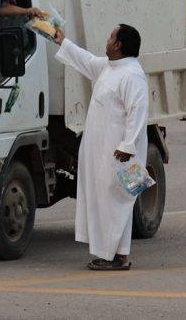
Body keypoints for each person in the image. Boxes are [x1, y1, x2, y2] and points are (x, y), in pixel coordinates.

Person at [53, 23, 148, 271]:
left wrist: (128, 145)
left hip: (120, 154)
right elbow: (84, 60)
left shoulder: (132, 75)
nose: (107, 40)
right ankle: (112, 254)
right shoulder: (109, 68)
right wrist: (62, 41)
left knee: (117, 201)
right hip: (103, 151)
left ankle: (119, 257)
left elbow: (138, 111)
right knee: (106, 201)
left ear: (118, 45)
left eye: (110, 36)